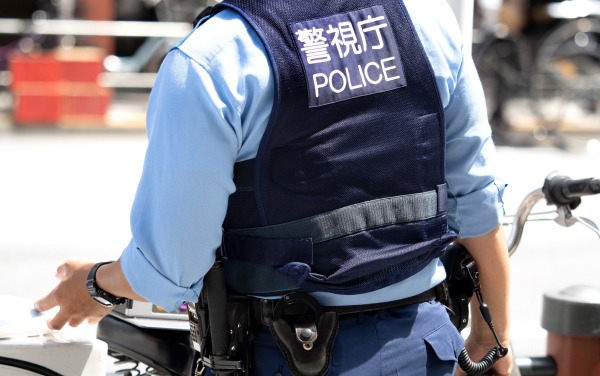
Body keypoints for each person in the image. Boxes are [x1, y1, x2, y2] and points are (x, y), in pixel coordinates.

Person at [34, 0, 512, 375]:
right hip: (428, 348)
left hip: (289, 355)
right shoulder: (426, 22)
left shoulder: (211, 62)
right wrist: (496, 338)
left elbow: (171, 269)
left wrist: (96, 283)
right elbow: (477, 204)